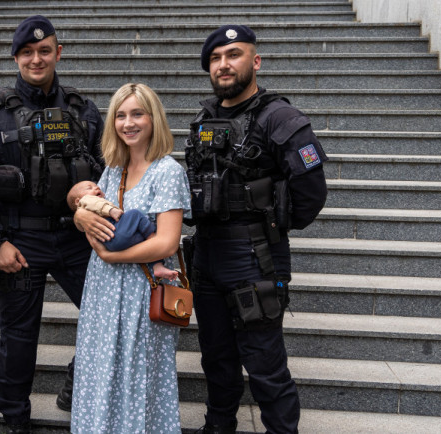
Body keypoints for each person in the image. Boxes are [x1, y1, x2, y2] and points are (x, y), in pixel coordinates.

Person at [0, 15, 105, 434]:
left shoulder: (84, 110)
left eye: (45, 50)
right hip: (19, 240)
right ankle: (14, 416)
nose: (37, 58)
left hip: (76, 237)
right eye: (27, 52)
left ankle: (77, 381)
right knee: (19, 338)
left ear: (58, 53)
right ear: (16, 57)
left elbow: (106, 169)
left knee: (107, 317)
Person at [186, 25, 328, 434]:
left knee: (265, 364)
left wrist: (268, 226)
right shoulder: (204, 118)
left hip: (254, 257)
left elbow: (310, 192)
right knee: (216, 359)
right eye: (215, 58)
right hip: (208, 257)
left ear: (255, 61)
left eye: (233, 54)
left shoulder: (280, 117)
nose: (224, 64)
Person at [70, 83, 191, 433]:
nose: (128, 123)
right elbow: (95, 217)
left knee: (138, 377)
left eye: (137, 114)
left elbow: (167, 242)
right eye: (121, 115)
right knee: (101, 370)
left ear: (154, 119)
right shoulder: (113, 169)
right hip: (104, 291)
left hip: (141, 291)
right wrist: (81, 216)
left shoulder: (167, 171)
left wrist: (110, 255)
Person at [67, 180, 179, 280]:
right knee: (135, 214)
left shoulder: (89, 208)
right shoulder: (87, 201)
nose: (96, 188)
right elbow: (97, 204)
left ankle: (157, 266)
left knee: (143, 242)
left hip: (112, 242)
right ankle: (152, 237)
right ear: (77, 201)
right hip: (114, 233)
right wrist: (111, 210)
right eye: (89, 188)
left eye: (96, 186)